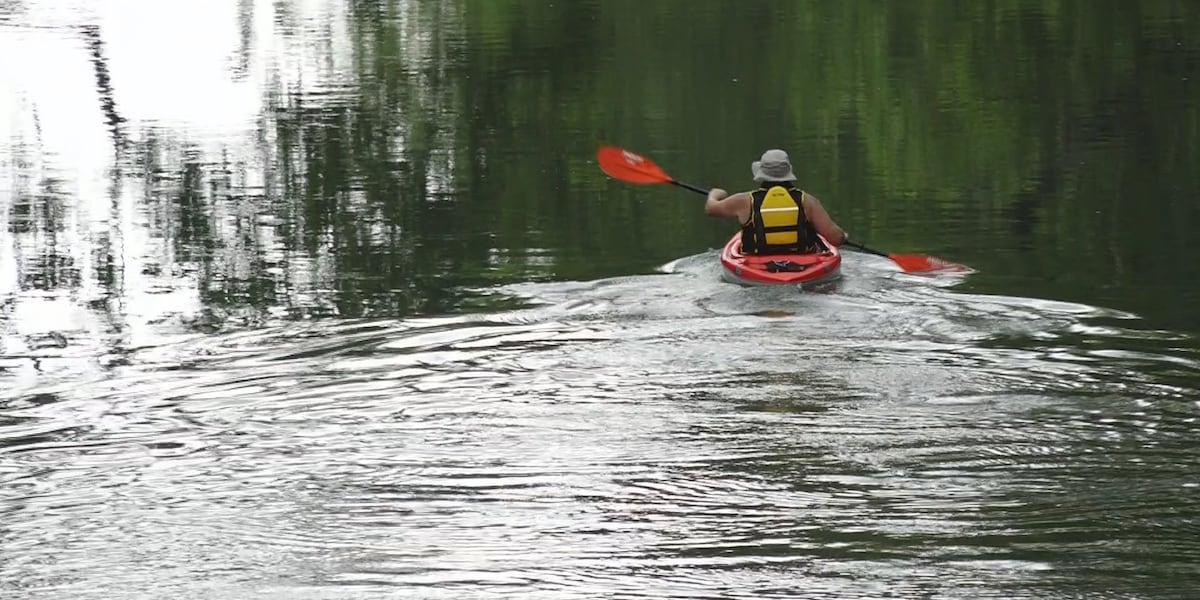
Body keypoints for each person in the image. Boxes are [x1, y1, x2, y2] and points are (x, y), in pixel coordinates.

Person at [704, 149, 848, 254]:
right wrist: (843, 236)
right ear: (788, 173)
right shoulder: (808, 201)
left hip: (755, 266)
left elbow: (711, 209)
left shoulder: (744, 201)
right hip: (804, 265)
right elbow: (835, 238)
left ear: (761, 174)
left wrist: (714, 194)